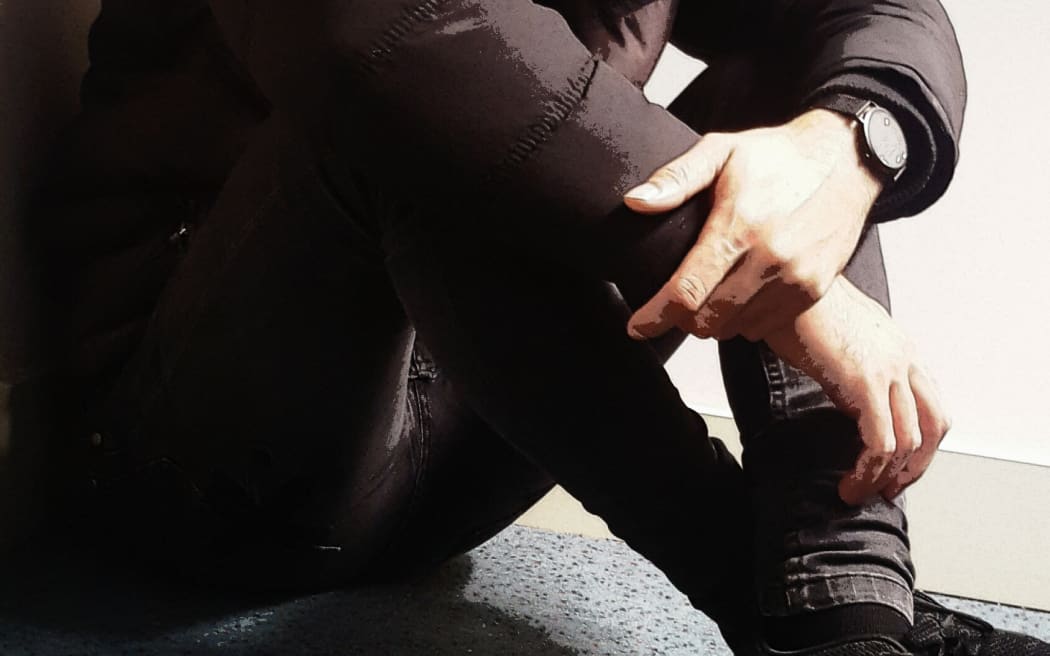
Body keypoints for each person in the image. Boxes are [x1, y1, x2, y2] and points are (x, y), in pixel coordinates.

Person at [35, 0, 1048, 654]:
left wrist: (853, 138)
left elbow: (873, 11)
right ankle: (776, 597)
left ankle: (840, 606)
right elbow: (372, 40)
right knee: (414, 127)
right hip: (192, 471)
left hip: (445, 469)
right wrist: (806, 296)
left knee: (792, 121)